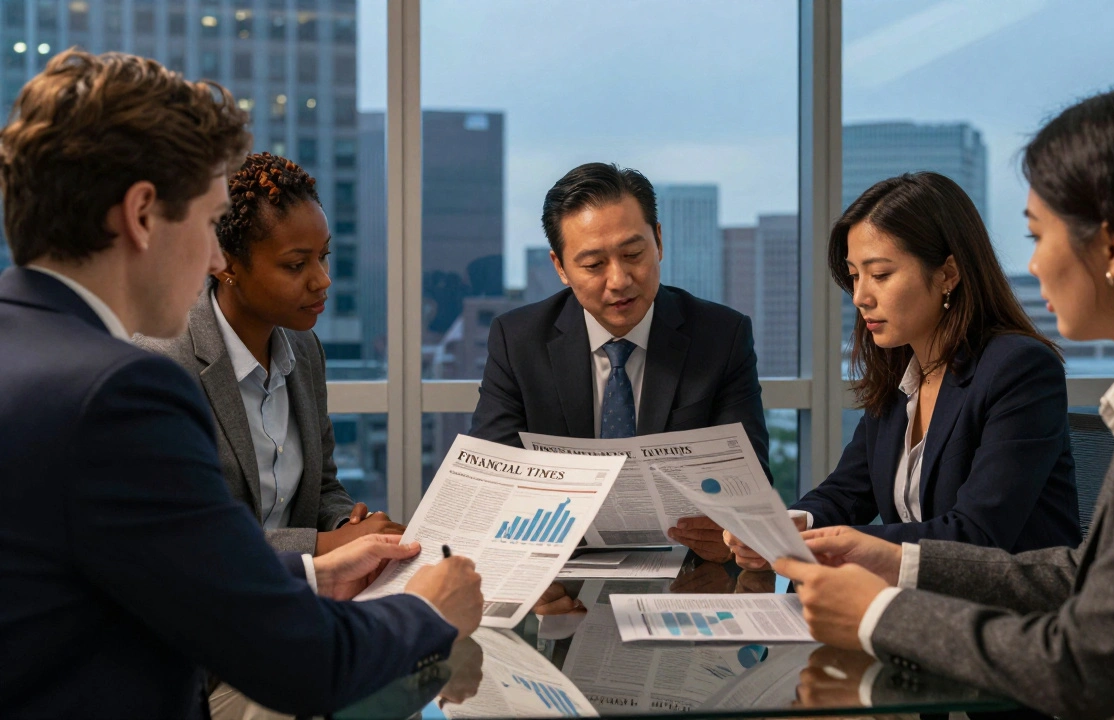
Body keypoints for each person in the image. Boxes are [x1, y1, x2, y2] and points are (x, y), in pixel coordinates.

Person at [0, 50, 483, 718]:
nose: (211, 256)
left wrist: (312, 569)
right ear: (142, 215)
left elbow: (131, 570)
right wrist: (427, 611)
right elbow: (301, 663)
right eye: (206, 223)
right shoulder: (120, 392)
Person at [774, 83, 1114, 718]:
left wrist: (879, 613)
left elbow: (1085, 664)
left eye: (1038, 236)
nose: (1034, 266)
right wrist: (892, 560)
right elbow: (1081, 576)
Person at [729, 172, 1080, 571]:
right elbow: (846, 491)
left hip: (1010, 618)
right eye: (855, 275)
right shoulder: (902, 372)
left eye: (880, 275)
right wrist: (789, 527)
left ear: (948, 273)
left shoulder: (1018, 368)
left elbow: (977, 536)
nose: (860, 296)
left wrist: (831, 543)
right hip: (921, 609)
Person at [469, 162, 771, 561]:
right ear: (560, 267)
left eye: (633, 254)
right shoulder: (519, 340)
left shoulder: (721, 336)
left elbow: (750, 485)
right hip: (557, 571)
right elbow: (493, 478)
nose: (619, 280)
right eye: (593, 265)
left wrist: (733, 531)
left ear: (659, 241)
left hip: (686, 568)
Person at [136, 152, 401, 555]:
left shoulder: (304, 349)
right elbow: (184, 535)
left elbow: (322, 486)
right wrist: (325, 545)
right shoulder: (161, 363)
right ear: (225, 264)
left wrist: (349, 524)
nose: (322, 280)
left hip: (297, 597)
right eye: (296, 265)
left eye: (323, 256)